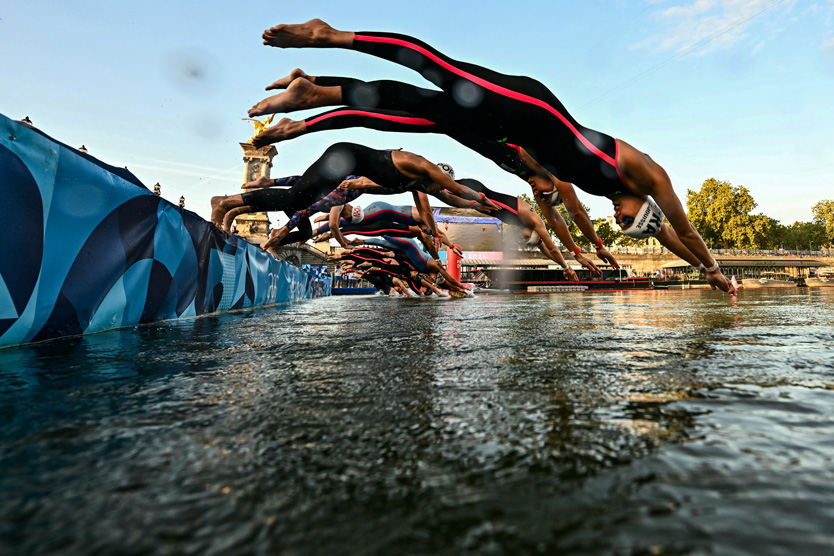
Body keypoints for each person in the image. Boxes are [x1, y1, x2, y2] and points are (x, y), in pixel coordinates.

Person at [249, 19, 735, 294]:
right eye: (627, 219)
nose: (618, 217)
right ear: (643, 208)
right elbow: (683, 228)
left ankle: (316, 96)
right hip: (528, 105)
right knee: (437, 68)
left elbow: (666, 237)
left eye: (621, 224)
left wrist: (708, 273)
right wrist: (711, 264)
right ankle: (328, 36)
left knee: (415, 111)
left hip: (504, 131)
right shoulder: (644, 173)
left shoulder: (613, 190)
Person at [209, 142, 499, 246]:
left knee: (298, 197)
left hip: (342, 164)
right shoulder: (420, 166)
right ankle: (225, 204)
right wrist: (483, 198)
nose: (440, 192)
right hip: (344, 157)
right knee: (296, 200)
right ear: (438, 177)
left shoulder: (421, 186)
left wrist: (478, 208)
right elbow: (458, 190)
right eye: (440, 186)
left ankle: (232, 207)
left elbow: (454, 198)